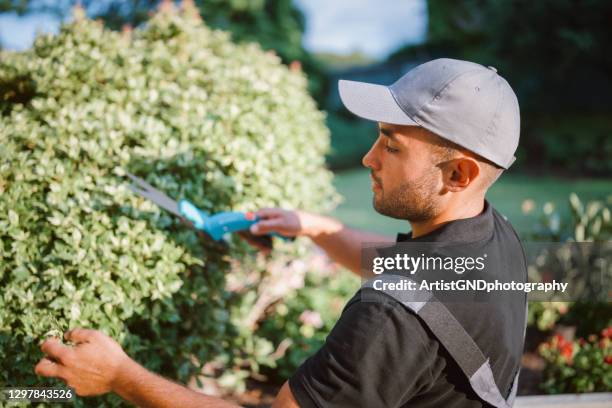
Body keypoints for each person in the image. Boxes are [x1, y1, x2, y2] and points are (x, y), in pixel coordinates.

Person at [35, 58, 527, 407]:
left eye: (391, 147)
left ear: (458, 174)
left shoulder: (388, 319)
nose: (368, 159)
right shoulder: (496, 238)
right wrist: (314, 226)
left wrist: (121, 376)